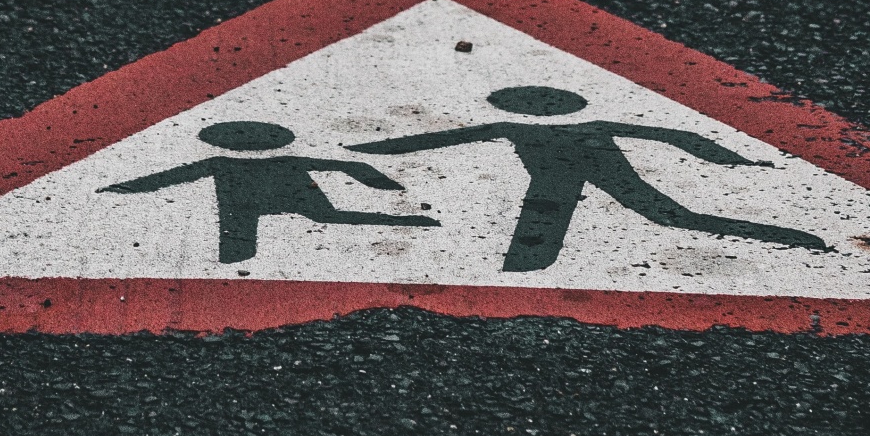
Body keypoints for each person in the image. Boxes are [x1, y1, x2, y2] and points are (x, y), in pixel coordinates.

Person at [348, 85, 827, 275]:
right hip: (557, 179)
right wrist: (368, 151)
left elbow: (669, 132)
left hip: (590, 171)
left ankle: (788, 235)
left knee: (670, 216)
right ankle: (521, 271)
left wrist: (729, 161)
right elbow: (444, 139)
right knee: (545, 221)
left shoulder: (573, 129)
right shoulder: (528, 128)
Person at [100, 121, 439, 266]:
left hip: (243, 199)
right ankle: (411, 220)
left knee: (238, 234)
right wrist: (378, 182)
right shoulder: (289, 159)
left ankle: (233, 266)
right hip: (279, 193)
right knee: (327, 216)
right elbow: (347, 166)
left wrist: (129, 187)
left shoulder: (219, 162)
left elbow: (170, 177)